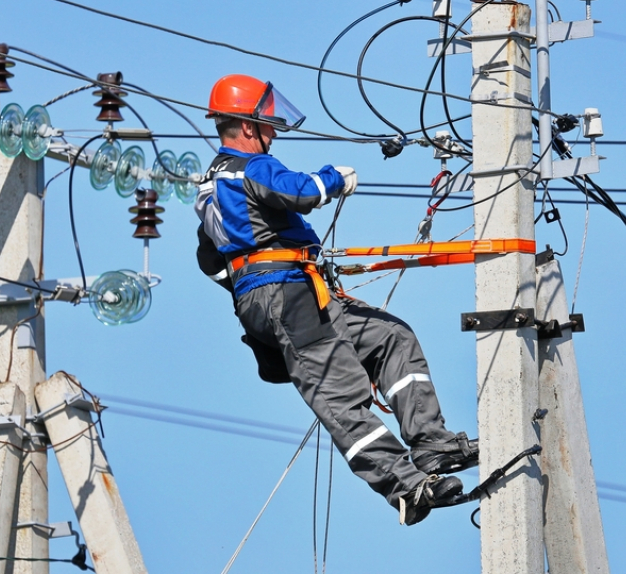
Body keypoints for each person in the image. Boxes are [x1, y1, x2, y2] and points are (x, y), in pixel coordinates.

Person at [194, 74, 478, 525]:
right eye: (267, 125)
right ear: (248, 126)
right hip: (289, 296)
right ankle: (405, 487)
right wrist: (333, 179)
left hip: (289, 294)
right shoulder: (250, 168)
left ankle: (432, 445)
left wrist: (254, 291)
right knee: (341, 394)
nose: (271, 134)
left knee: (390, 337)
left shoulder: (211, 187)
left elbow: (208, 261)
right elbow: (298, 191)